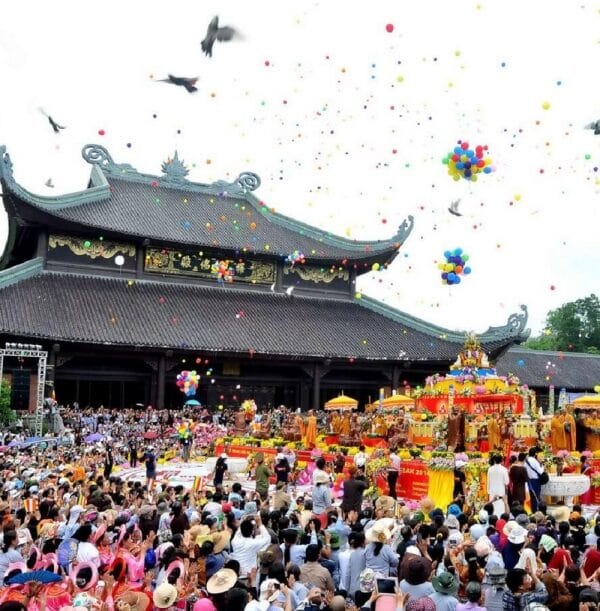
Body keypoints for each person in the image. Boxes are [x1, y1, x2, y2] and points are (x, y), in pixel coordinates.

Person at [524, 447, 545, 513]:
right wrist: (542, 465)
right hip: (535, 481)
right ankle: (536, 511)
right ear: (535, 454)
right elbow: (541, 472)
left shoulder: (526, 461)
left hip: (529, 481)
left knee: (530, 497)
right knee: (536, 497)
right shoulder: (534, 461)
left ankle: (530, 511)